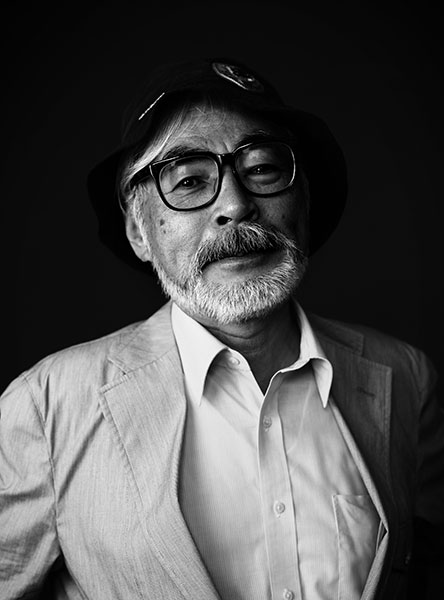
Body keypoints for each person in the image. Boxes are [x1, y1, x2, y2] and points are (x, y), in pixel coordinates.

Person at [0, 57, 443, 600]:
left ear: (303, 200)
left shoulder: (407, 378)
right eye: (189, 181)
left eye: (262, 169)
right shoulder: (45, 409)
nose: (235, 205)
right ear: (139, 232)